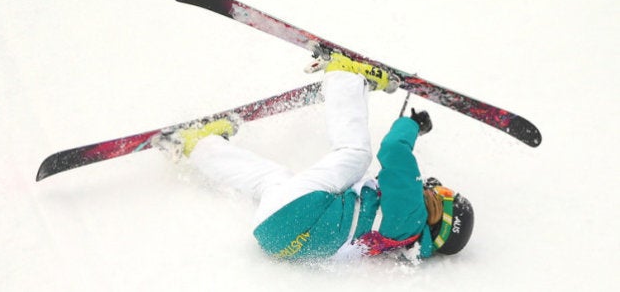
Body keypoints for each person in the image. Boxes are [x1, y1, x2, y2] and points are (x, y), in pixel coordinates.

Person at [152, 53, 474, 261]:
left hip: (301, 215)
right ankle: (197, 146)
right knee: (273, 180)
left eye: (440, 200)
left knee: (356, 154)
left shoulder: (411, 212)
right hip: (276, 236)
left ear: (437, 222)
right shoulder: (399, 240)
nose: (433, 193)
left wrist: (411, 126)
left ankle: (344, 76)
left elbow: (392, 152)